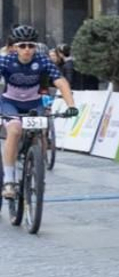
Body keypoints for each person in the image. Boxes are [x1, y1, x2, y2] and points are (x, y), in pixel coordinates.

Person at [1, 25, 75, 200]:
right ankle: (9, 181)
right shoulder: (5, 61)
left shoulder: (43, 61)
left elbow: (61, 82)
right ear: (14, 47)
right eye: (22, 46)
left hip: (35, 103)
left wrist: (71, 105)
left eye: (31, 46)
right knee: (15, 130)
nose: (27, 50)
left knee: (41, 132)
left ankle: (36, 167)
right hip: (10, 103)